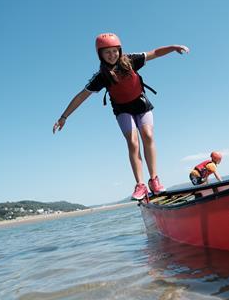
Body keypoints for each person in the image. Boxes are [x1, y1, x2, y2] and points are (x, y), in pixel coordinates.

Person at [53, 33, 189, 200]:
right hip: (122, 109)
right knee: (133, 142)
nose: (112, 55)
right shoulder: (101, 76)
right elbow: (81, 96)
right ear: (100, 55)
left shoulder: (131, 60)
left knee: (147, 135)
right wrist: (64, 116)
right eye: (107, 52)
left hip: (141, 104)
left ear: (120, 50)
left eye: (114, 51)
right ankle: (140, 185)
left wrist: (173, 47)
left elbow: (154, 52)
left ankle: (154, 180)